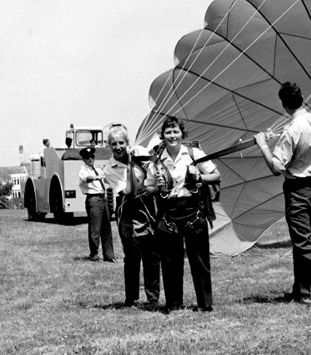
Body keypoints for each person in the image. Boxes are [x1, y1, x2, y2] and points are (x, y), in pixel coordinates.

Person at [254, 81, 311, 306]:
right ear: (302, 97)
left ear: (284, 105)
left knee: (303, 242)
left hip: (298, 190)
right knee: (302, 240)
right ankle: (301, 292)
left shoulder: (291, 130)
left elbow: (276, 167)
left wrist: (263, 145)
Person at [154, 116, 221, 312]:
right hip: (169, 212)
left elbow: (216, 175)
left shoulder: (194, 153)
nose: (172, 135)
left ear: (182, 134)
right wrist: (157, 186)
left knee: (199, 259)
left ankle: (205, 303)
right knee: (170, 261)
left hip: (193, 210)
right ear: (163, 136)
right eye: (168, 132)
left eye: (176, 131)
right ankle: (174, 304)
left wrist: (199, 177)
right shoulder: (158, 158)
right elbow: (149, 187)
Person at [102, 126, 161, 308]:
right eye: (114, 144)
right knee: (132, 255)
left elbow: (153, 174)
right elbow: (128, 190)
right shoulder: (109, 168)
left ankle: (152, 298)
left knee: (151, 254)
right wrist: (131, 164)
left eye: (121, 143)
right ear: (109, 146)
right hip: (128, 208)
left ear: (128, 143)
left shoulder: (141, 152)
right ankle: (131, 297)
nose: (118, 147)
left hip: (147, 206)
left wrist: (140, 161)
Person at [78, 147, 117, 262]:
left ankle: (109, 255)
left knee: (106, 227)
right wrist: (95, 177)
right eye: (88, 158)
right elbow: (86, 178)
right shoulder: (83, 170)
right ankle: (94, 254)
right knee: (95, 228)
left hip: (102, 198)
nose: (90, 159)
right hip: (93, 199)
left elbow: (104, 179)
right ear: (84, 160)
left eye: (92, 157)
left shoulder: (97, 168)